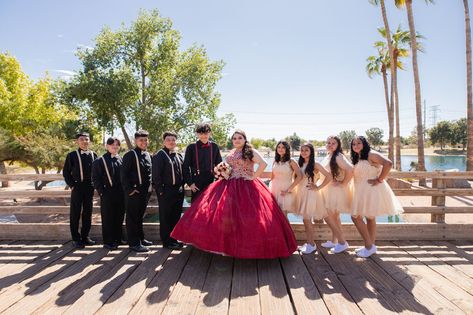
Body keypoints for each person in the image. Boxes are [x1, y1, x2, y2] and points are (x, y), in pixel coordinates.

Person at [171, 130, 297, 259]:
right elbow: (229, 167)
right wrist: (224, 172)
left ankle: (249, 248)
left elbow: (263, 164)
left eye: (240, 138)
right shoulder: (232, 152)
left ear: (245, 139)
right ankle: (226, 247)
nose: (237, 140)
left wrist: (253, 177)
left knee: (249, 217)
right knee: (224, 216)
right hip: (228, 185)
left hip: (247, 186)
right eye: (235, 138)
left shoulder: (250, 151)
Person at [350, 136, 403, 258]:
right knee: (369, 217)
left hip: (370, 190)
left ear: (364, 144)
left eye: (359, 143)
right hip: (361, 191)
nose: (356, 145)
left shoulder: (370, 154)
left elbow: (388, 163)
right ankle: (370, 246)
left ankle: (369, 246)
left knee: (356, 217)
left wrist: (379, 179)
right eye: (353, 144)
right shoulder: (358, 157)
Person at [293, 143, 332, 254]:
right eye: (302, 150)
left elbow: (329, 176)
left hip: (310, 194)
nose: (304, 152)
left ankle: (311, 244)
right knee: (306, 220)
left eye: (306, 150)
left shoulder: (315, 164)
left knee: (307, 220)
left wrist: (318, 187)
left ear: (311, 152)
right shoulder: (300, 163)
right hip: (301, 194)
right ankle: (310, 242)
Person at [63, 132, 98, 249]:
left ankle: (85, 237)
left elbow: (98, 172)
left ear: (89, 141)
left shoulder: (94, 155)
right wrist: (72, 185)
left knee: (88, 213)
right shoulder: (71, 155)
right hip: (77, 187)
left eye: (86, 139)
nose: (84, 141)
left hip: (89, 188)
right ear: (77, 141)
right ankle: (75, 238)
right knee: (75, 213)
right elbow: (66, 172)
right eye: (82, 139)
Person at [319, 136, 352, 254]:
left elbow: (350, 169)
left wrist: (343, 183)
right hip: (328, 189)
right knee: (335, 217)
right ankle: (335, 241)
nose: (330, 145)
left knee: (328, 215)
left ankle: (342, 242)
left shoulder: (338, 156)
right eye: (328, 143)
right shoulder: (329, 156)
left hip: (333, 191)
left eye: (333, 143)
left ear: (338, 145)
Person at [121, 130, 153, 252]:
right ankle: (134, 243)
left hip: (145, 192)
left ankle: (141, 239)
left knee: (140, 217)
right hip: (134, 192)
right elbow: (123, 174)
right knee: (132, 217)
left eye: (145, 140)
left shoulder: (148, 155)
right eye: (141, 140)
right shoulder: (130, 155)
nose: (144, 142)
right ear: (136, 141)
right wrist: (130, 190)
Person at [152, 131, 185, 250]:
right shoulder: (159, 156)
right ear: (164, 142)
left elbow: (184, 172)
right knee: (165, 217)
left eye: (173, 140)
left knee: (176, 217)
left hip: (178, 191)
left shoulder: (178, 155)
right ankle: (167, 242)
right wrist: (161, 191)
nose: (171, 142)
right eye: (168, 140)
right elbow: (156, 176)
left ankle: (174, 239)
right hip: (166, 191)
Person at [92, 137, 125, 250]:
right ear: (107, 146)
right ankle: (108, 241)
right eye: (112, 144)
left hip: (120, 193)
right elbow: (95, 179)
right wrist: (102, 192)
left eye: (117, 144)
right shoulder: (99, 161)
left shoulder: (120, 159)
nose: (115, 146)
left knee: (119, 216)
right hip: (107, 193)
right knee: (108, 217)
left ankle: (118, 238)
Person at [182, 123, 222, 201]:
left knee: (210, 207)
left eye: (206, 133)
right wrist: (190, 183)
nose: (204, 136)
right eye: (201, 133)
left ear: (210, 133)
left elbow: (219, 166)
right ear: (197, 134)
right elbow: (185, 167)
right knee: (196, 208)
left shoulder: (214, 146)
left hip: (211, 182)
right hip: (196, 183)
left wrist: (217, 183)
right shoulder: (191, 147)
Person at [269, 140, 303, 214]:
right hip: (274, 188)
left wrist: (289, 190)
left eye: (283, 147)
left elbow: (300, 176)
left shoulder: (291, 161)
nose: (280, 149)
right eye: (279, 147)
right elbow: (272, 176)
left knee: (283, 214)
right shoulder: (275, 161)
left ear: (287, 149)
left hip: (285, 189)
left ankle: (286, 226)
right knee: (275, 214)